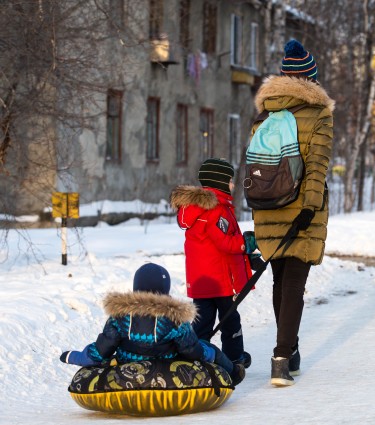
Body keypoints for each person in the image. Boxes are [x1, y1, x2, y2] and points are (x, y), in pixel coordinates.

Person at [251, 39, 334, 386]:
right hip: (302, 208)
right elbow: (317, 166)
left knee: (280, 280)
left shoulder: (264, 114)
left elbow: (255, 165)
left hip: (267, 206)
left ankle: (290, 350)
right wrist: (310, 206)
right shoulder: (319, 115)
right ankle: (282, 358)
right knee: (294, 285)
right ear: (311, 80)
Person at [59, 263, 244, 385]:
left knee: (105, 357)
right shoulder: (176, 318)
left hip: (128, 364)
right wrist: (209, 353)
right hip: (167, 366)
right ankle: (234, 373)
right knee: (208, 347)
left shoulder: (120, 316)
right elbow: (192, 351)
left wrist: (74, 357)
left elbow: (100, 351)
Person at [170, 158, 255, 369]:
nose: (232, 185)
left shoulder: (196, 209)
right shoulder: (215, 209)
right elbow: (226, 243)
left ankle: (196, 357)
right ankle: (235, 358)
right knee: (230, 320)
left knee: (202, 322)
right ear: (219, 182)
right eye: (229, 180)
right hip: (219, 281)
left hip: (200, 281)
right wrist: (246, 244)